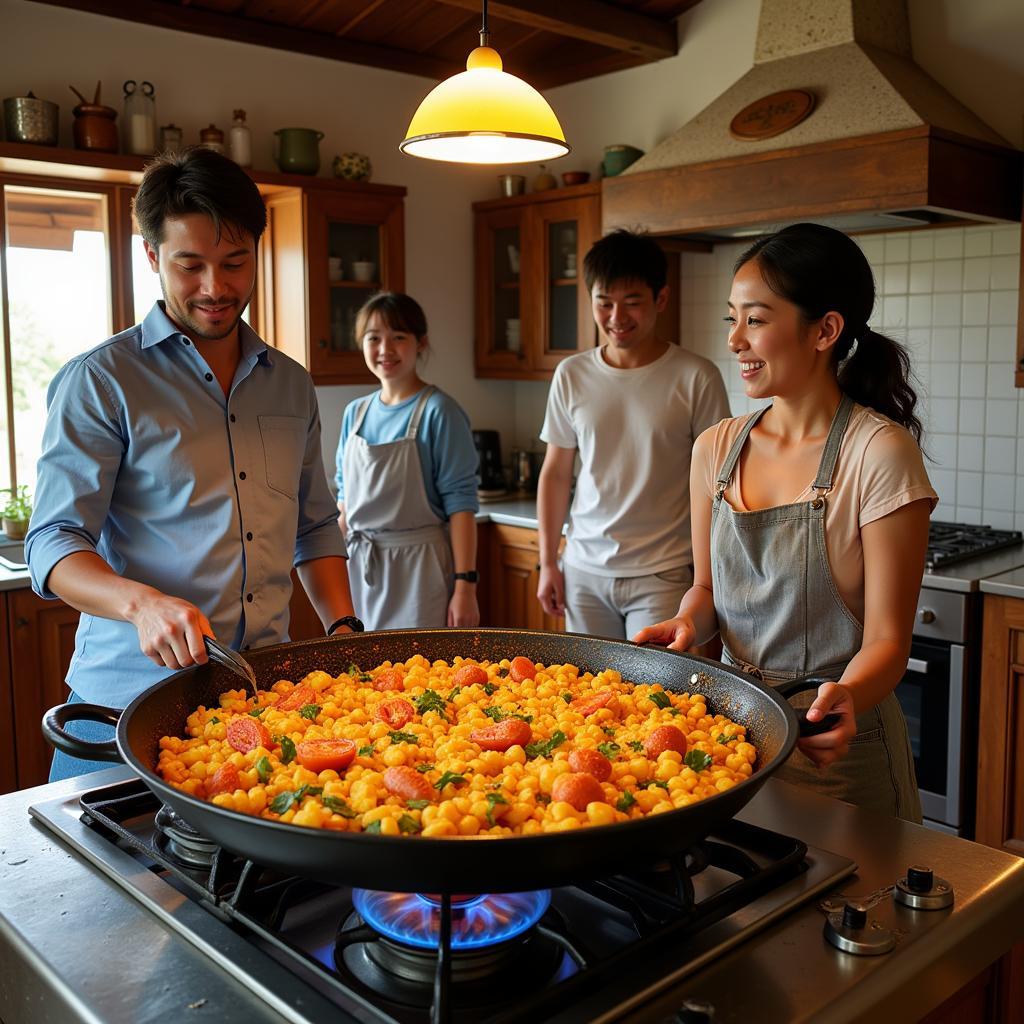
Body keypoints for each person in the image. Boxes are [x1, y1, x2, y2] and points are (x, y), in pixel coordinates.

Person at [26, 146, 358, 781]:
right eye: (191, 265)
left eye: (235, 263)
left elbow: (314, 528)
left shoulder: (290, 384)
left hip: (262, 703)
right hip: (125, 705)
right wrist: (141, 603)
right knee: (98, 881)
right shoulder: (101, 381)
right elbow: (53, 543)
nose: (216, 287)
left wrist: (342, 626)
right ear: (152, 257)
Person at [634, 222, 937, 821]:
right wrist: (686, 626)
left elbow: (887, 640)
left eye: (756, 319)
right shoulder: (716, 448)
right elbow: (706, 590)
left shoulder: (878, 452)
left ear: (825, 330)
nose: (736, 341)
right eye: (732, 319)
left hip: (832, 747)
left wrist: (845, 698)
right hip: (730, 735)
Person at [536, 229, 730, 639]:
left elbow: (717, 484)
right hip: (583, 570)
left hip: (662, 573)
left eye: (632, 302)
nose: (616, 318)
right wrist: (548, 562)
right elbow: (555, 473)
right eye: (604, 303)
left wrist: (709, 576)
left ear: (660, 299)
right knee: (585, 692)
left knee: (653, 694)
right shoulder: (571, 374)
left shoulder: (696, 377)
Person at [334, 292, 480, 629]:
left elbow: (461, 507)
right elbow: (344, 506)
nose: (385, 349)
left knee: (419, 673)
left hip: (420, 573)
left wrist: (465, 586)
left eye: (398, 337)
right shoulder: (354, 414)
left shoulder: (439, 412)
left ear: (421, 343)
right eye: (374, 338)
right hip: (360, 571)